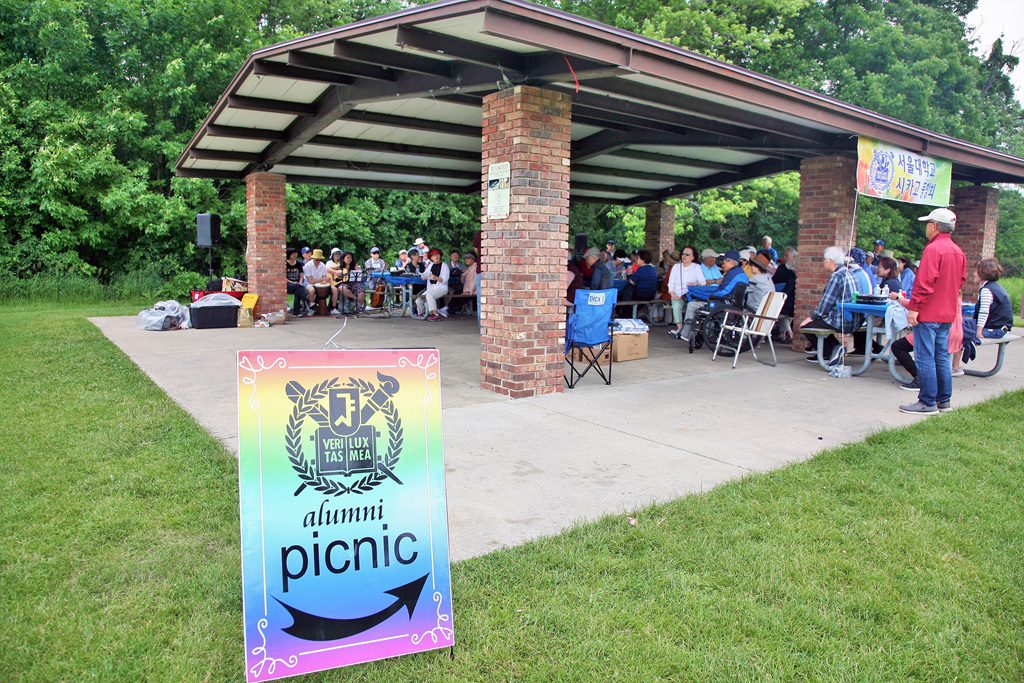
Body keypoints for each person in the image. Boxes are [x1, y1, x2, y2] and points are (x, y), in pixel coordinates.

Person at [894, 207, 966, 415]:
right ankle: (944, 400)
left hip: (929, 312)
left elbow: (924, 283)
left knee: (925, 357)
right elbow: (961, 280)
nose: (926, 227)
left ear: (934, 226)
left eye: (928, 223)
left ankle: (927, 401)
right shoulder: (958, 251)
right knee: (941, 356)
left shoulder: (933, 249)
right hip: (947, 313)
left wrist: (914, 308)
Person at [799, 246, 862, 365]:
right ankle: (834, 349)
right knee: (819, 323)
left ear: (831, 261)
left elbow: (826, 302)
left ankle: (830, 351)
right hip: (854, 319)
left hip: (841, 319)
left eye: (824, 259)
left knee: (806, 326)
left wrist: (813, 317)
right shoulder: (850, 273)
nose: (823, 262)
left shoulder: (837, 276)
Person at [678, 249, 748, 341]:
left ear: (730, 262)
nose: (722, 265)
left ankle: (685, 334)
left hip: (724, 304)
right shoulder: (740, 272)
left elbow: (723, 291)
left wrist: (711, 296)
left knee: (692, 305)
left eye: (724, 262)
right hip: (733, 303)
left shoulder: (732, 274)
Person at [666, 246, 705, 338]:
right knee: (676, 306)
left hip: (691, 295)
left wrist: (695, 283)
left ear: (693, 257)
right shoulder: (676, 267)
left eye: (687, 254)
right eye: (683, 254)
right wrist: (672, 293)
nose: (684, 256)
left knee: (691, 307)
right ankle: (680, 328)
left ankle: (688, 329)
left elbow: (703, 282)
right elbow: (671, 283)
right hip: (678, 294)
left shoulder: (697, 267)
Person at [972, 258, 1013, 340]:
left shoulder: (987, 290)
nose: (974, 274)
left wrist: (979, 332)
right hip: (999, 328)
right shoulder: (996, 287)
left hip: (994, 330)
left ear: (983, 273)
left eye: (976, 271)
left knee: (958, 330)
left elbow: (984, 312)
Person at [773, 248, 797, 343]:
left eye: (787, 255)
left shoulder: (793, 271)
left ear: (794, 257)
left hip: (788, 300)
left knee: (781, 310)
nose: (784, 257)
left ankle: (787, 333)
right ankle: (784, 333)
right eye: (784, 255)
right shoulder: (782, 268)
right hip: (786, 298)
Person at [304, 248, 338, 314]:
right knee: (311, 290)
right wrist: (323, 280)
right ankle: (312, 308)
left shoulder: (323, 266)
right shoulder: (307, 266)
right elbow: (311, 281)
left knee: (334, 289)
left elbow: (325, 278)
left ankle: (333, 308)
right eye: (317, 260)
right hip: (309, 284)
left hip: (320, 284)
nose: (318, 261)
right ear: (313, 258)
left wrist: (324, 281)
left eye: (320, 259)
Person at [422, 248, 450, 321]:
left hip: (442, 288)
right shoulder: (431, 265)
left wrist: (435, 277)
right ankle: (421, 313)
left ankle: (435, 314)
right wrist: (424, 276)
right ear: (431, 257)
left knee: (429, 296)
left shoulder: (445, 266)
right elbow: (426, 274)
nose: (436, 256)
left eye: (437, 254)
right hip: (432, 287)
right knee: (419, 298)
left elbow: (444, 280)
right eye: (434, 255)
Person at [285, 248, 312, 316]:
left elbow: (301, 276)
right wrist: (293, 283)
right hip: (288, 285)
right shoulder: (285, 264)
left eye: (296, 253)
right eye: (293, 254)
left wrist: (300, 282)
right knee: (299, 288)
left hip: (298, 285)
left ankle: (296, 313)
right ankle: (307, 301)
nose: (295, 255)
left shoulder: (299, 264)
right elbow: (284, 278)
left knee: (298, 291)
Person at [404, 248, 428, 315]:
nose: (419, 256)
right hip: (412, 286)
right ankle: (413, 307)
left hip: (422, 285)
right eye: (417, 255)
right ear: (412, 256)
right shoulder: (408, 266)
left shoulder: (421, 265)